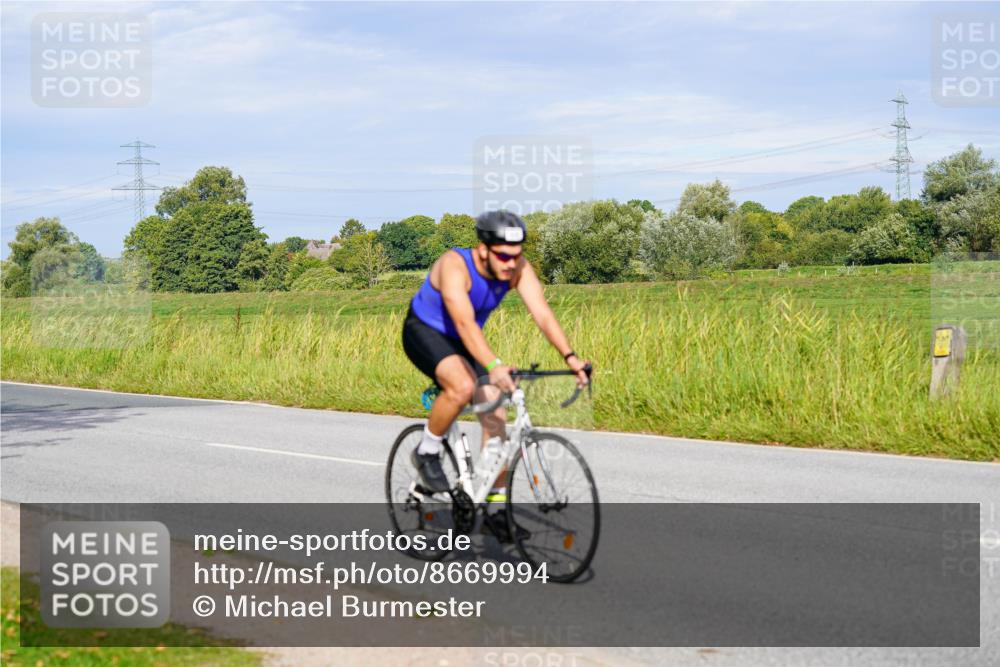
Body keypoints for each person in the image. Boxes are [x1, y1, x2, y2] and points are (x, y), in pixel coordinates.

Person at [401, 210, 590, 504]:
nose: (511, 263)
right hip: (425, 332)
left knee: (496, 414)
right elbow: (463, 324)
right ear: (483, 250)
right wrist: (494, 365)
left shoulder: (517, 269)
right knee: (462, 386)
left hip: (467, 340)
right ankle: (426, 450)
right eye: (503, 256)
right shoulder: (454, 266)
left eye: (516, 255)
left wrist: (571, 358)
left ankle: (496, 508)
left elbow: (542, 314)